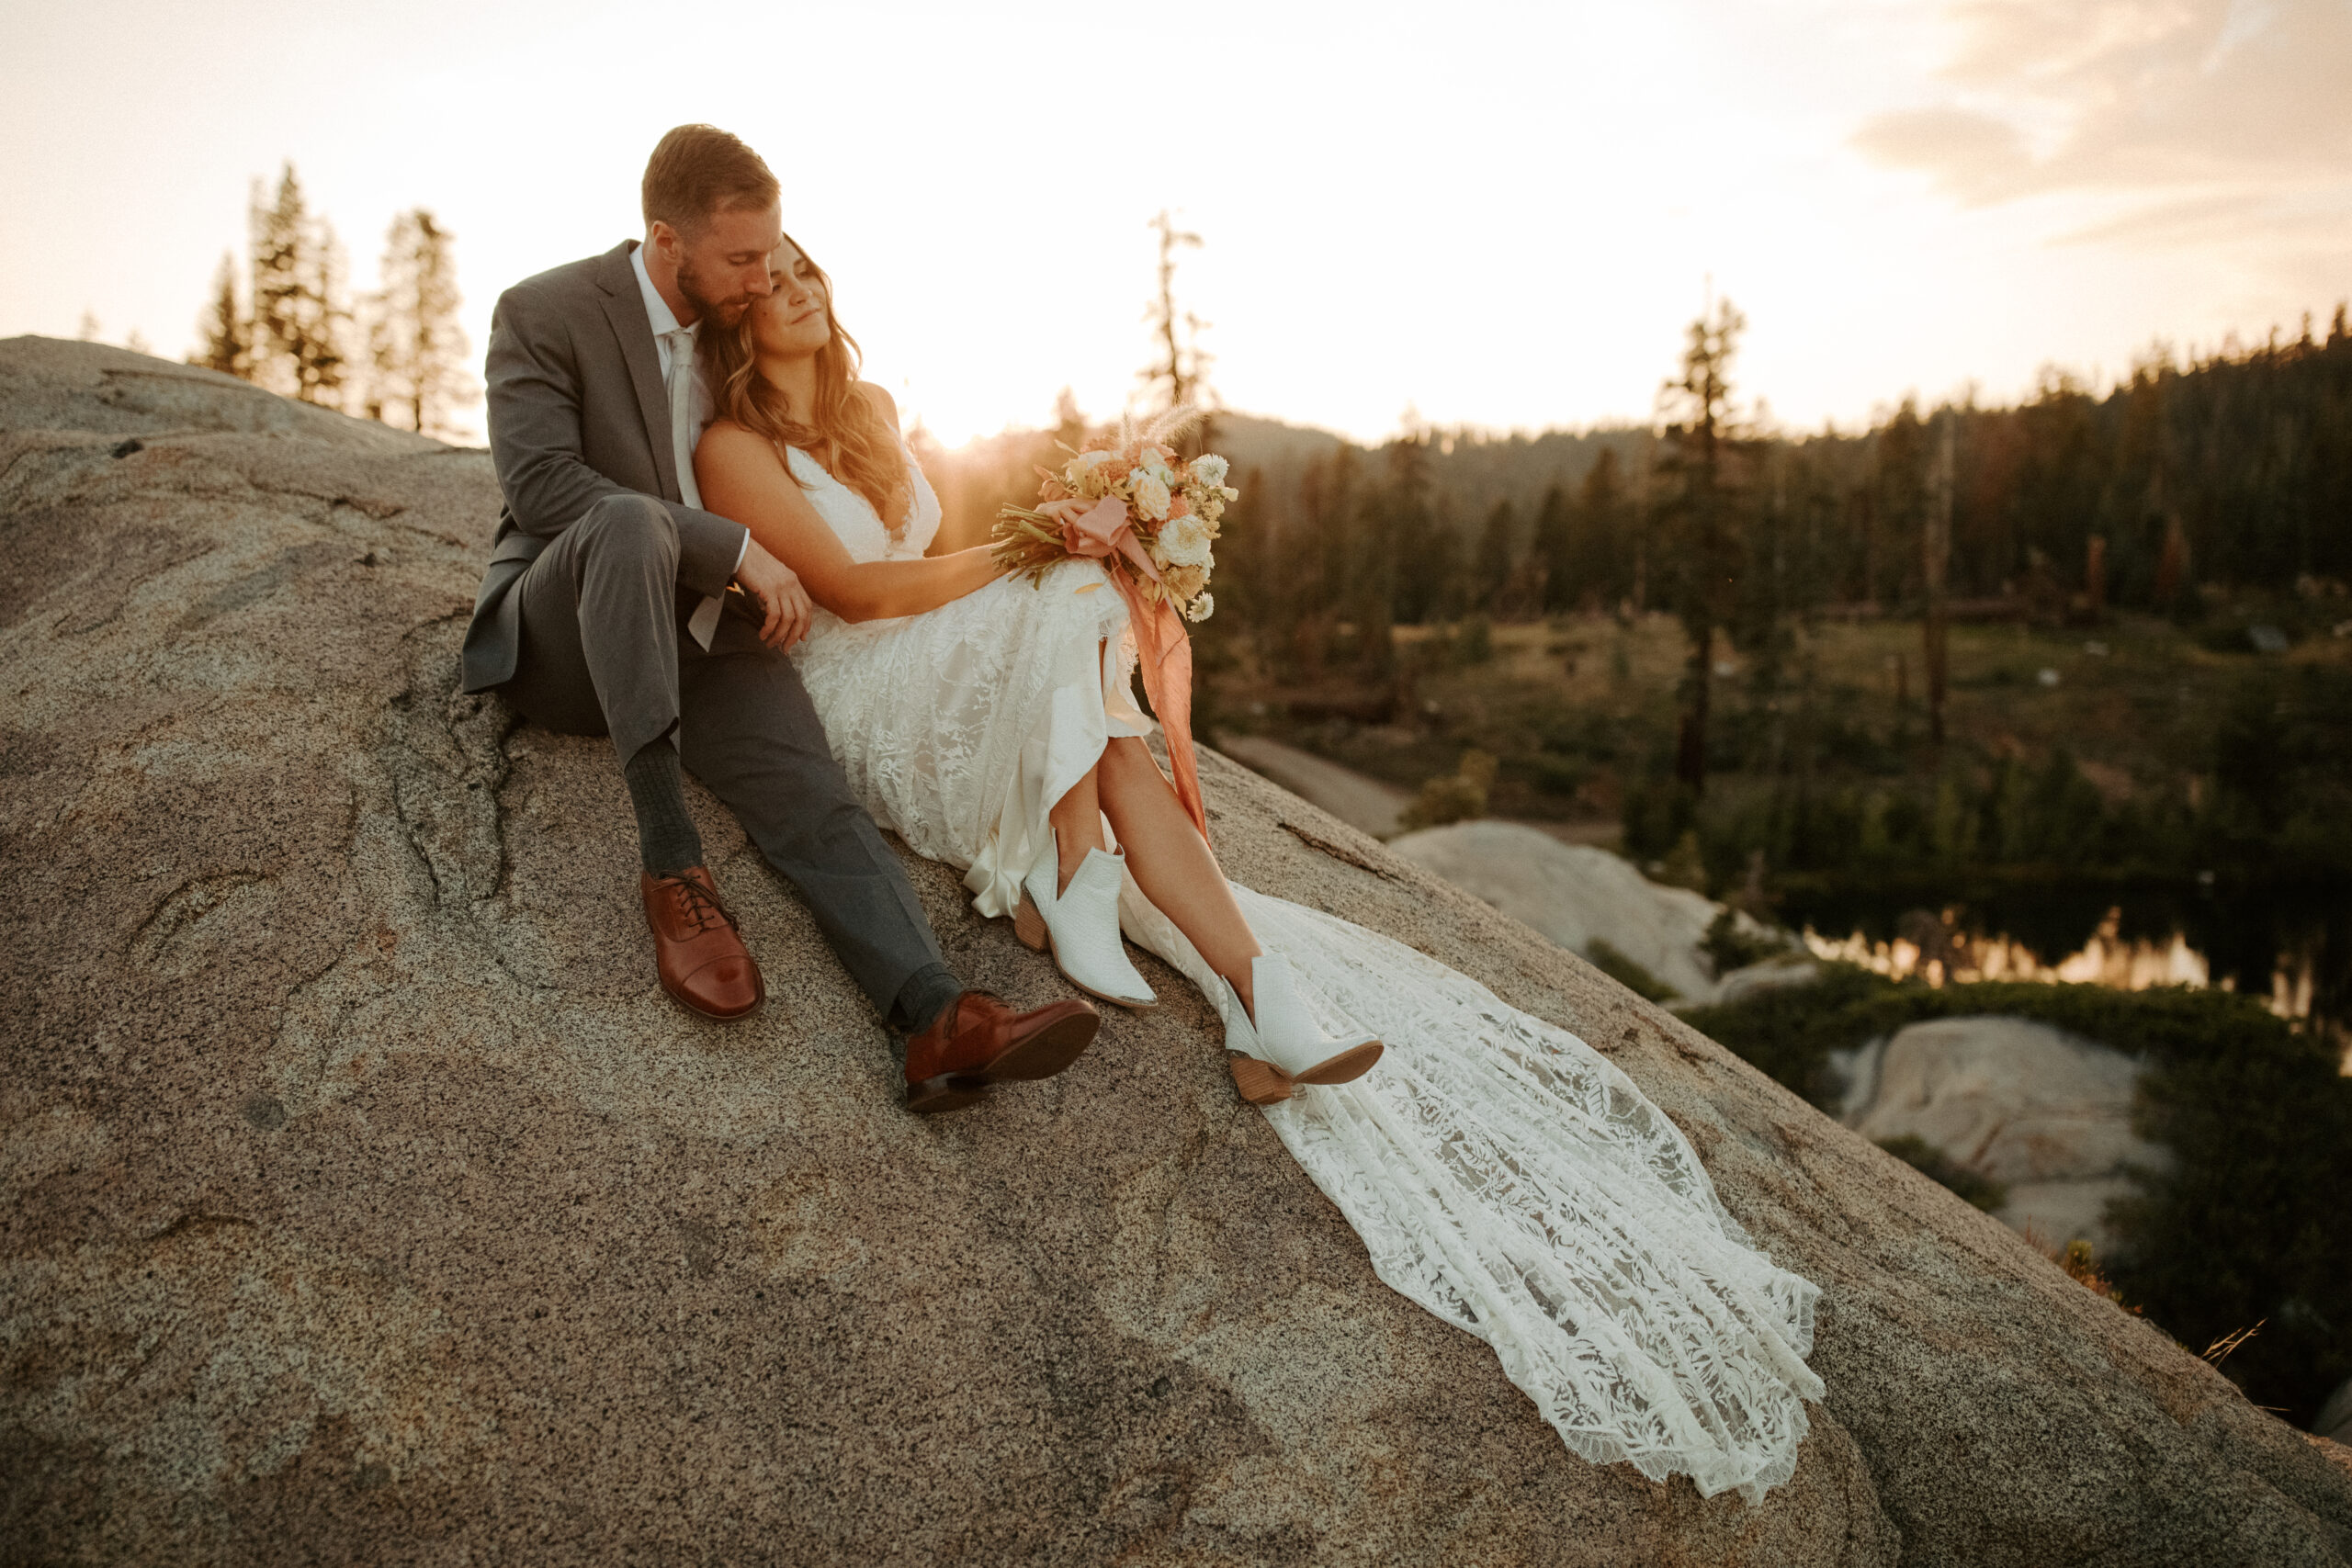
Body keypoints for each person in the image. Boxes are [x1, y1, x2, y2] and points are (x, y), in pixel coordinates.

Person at [691, 234, 1829, 1500]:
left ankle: (1243, 982)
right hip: (859, 691)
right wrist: (1040, 550)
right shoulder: (732, 445)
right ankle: (1143, 927)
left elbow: (941, 564)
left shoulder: (876, 412)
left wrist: (1053, 552)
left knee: (1099, 686)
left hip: (939, 647)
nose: (798, 287)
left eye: (810, 270)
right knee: (1075, 605)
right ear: (737, 317)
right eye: (770, 279)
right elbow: (855, 587)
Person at [458, 124, 1098, 1113]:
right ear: (666, 241)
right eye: (743, 257)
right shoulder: (545, 311)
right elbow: (546, 491)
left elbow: (798, 416)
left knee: (814, 797)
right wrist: (733, 549)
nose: (764, 278)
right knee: (627, 521)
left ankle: (933, 1018)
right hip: (569, 630)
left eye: (772, 253)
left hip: (708, 631)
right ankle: (672, 863)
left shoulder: (733, 328)